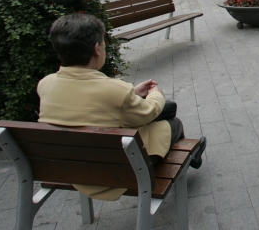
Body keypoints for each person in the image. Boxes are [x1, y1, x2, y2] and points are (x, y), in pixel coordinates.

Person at [38, 14, 206, 201]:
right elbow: (149, 112)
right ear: (97, 49)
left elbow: (89, 104)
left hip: (73, 168)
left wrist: (132, 93)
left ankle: (193, 157)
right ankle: (189, 159)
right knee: (173, 123)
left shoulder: (46, 84)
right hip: (117, 173)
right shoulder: (115, 90)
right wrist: (155, 93)